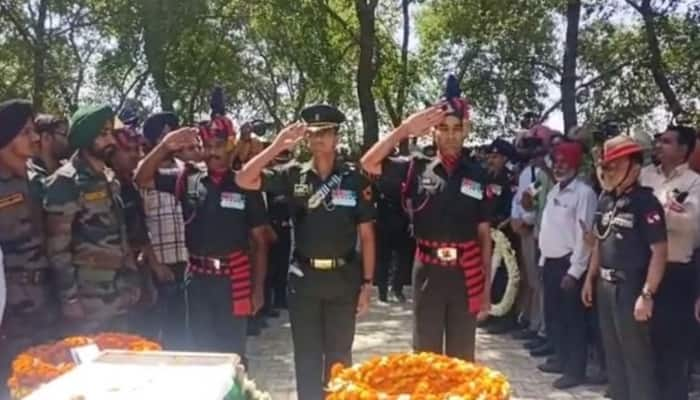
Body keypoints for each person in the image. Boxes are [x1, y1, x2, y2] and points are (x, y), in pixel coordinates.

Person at [236, 104, 376, 400]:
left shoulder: (354, 179)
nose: (318, 139)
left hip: (343, 279)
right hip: (305, 281)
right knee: (307, 358)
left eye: (325, 133)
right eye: (312, 134)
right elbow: (244, 179)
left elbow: (367, 234)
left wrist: (367, 284)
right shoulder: (293, 175)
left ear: (337, 136)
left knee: (340, 360)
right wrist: (277, 146)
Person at [361, 75, 492, 361]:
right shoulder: (416, 167)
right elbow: (368, 162)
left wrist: (486, 289)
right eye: (443, 128)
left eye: (457, 128)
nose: (450, 135)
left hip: (465, 272)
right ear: (433, 131)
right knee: (425, 357)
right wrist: (405, 129)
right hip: (428, 272)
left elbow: (484, 236)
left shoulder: (477, 173)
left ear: (466, 130)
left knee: (462, 360)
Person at [134, 113, 269, 358]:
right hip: (197, 280)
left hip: (233, 281)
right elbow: (141, 178)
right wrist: (165, 146)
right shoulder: (188, 178)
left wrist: (258, 289)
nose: (212, 153)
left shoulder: (245, 183)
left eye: (218, 146)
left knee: (233, 356)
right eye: (207, 146)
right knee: (202, 355)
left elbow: (260, 242)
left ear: (231, 146)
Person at [44, 104, 142, 334]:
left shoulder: (109, 179)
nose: (112, 141)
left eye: (111, 133)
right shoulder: (66, 182)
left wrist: (132, 281)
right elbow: (58, 249)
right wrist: (69, 299)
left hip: (118, 293)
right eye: (103, 134)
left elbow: (121, 234)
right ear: (86, 138)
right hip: (87, 299)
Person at [581, 135, 667, 400]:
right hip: (605, 287)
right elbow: (599, 241)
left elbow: (660, 252)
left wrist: (647, 294)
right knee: (613, 356)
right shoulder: (606, 200)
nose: (609, 170)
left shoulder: (646, 202)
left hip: (631, 287)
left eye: (616, 164)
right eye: (607, 165)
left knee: (636, 358)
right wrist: (589, 278)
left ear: (635, 167)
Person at [0, 100, 58, 396]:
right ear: (6, 138)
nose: (35, 138)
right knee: (15, 383)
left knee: (50, 379)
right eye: (26, 132)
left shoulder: (38, 177)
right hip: (12, 309)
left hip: (49, 298)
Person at [641, 125, 700, 400]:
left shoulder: (694, 183)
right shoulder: (645, 176)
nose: (659, 145)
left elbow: (692, 227)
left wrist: (657, 217)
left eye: (666, 141)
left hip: (677, 273)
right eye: (659, 140)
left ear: (683, 149)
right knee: (644, 345)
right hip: (642, 270)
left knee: (674, 349)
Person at [537, 141, 597, 389]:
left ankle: (575, 370)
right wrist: (542, 260)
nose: (559, 167)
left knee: (573, 321)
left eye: (564, 162)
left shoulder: (584, 194)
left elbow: (584, 237)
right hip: (550, 263)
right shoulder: (553, 191)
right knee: (555, 317)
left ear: (575, 164)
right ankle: (560, 360)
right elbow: (549, 229)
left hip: (569, 266)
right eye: (556, 162)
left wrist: (575, 271)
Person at [140, 112, 190, 349]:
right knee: (162, 337)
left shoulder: (187, 170)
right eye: (164, 138)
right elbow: (138, 224)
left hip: (190, 265)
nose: (172, 143)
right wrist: (155, 264)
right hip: (160, 267)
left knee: (187, 333)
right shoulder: (142, 171)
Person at [480, 138, 517, 331]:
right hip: (485, 233)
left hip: (504, 234)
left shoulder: (510, 180)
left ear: (504, 158)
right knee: (486, 273)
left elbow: (512, 209)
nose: (491, 160)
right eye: (490, 156)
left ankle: (503, 318)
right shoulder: (484, 176)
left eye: (495, 156)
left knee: (503, 275)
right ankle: (486, 312)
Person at [27, 114, 71, 199]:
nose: (68, 140)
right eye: (64, 135)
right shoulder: (29, 176)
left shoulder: (70, 170)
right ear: (46, 137)